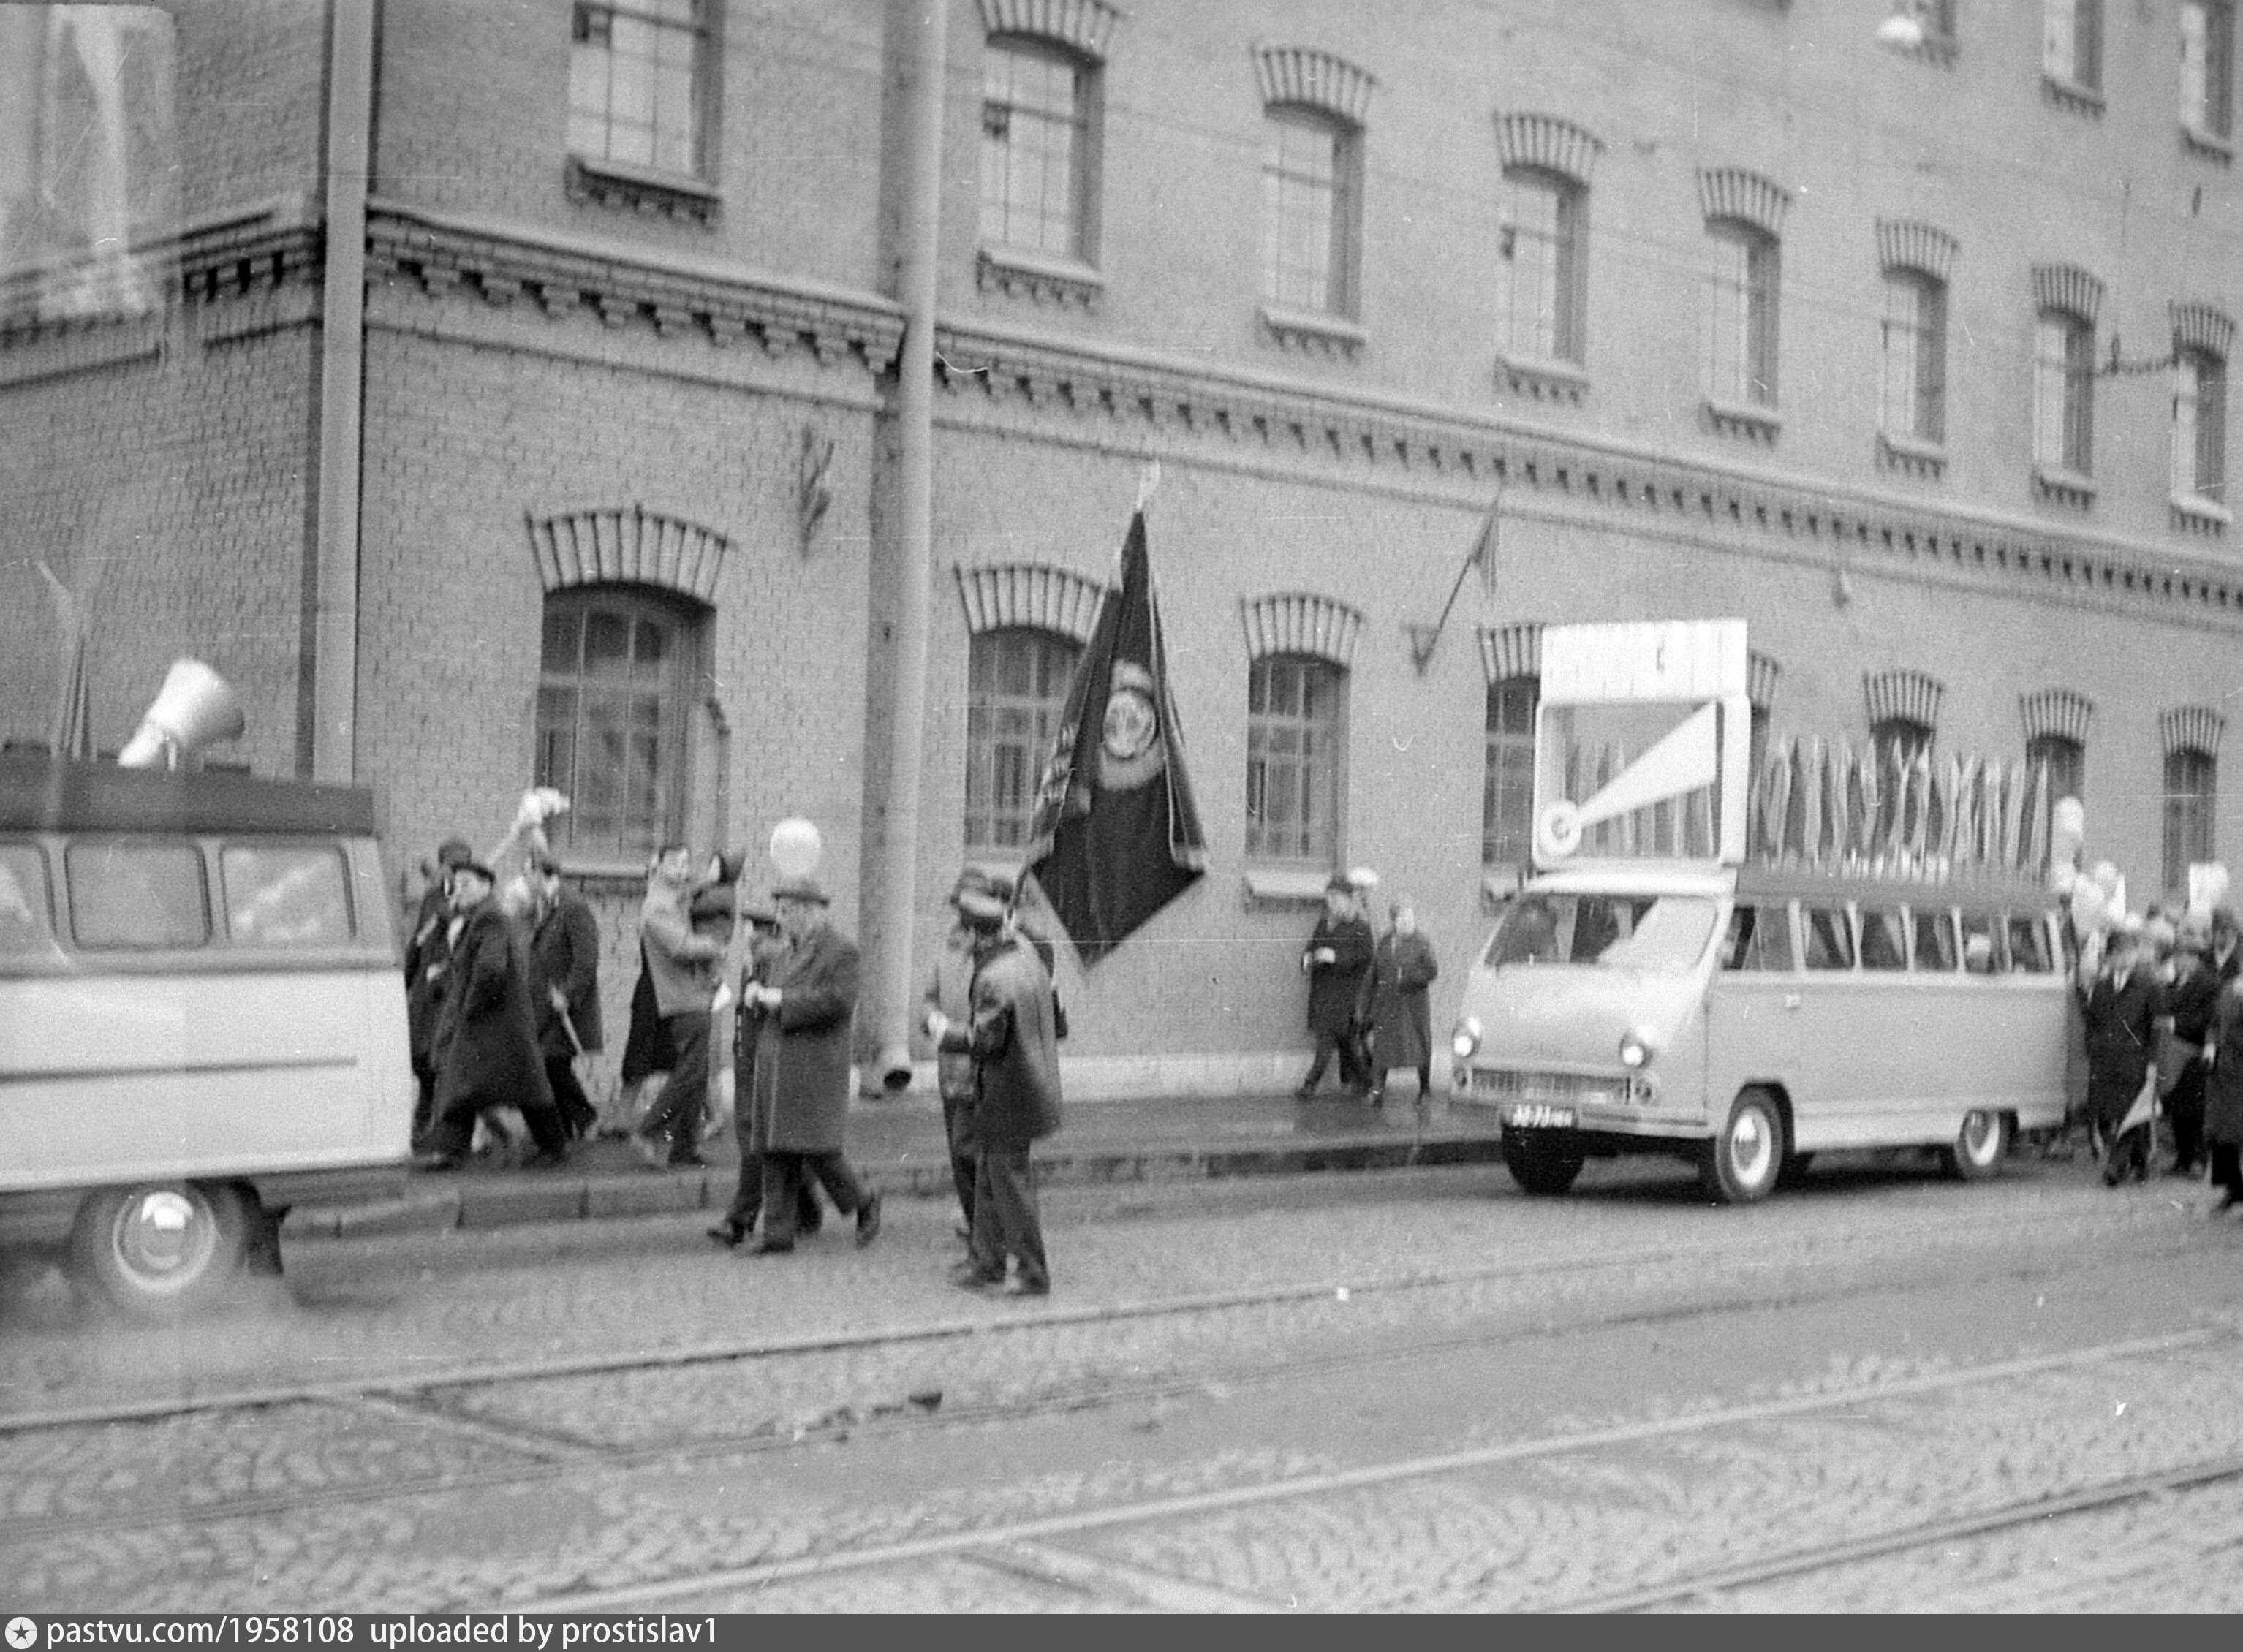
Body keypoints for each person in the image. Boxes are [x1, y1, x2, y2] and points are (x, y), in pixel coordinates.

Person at [931, 869, 1062, 1297]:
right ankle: (986, 1263)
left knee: (1010, 1187)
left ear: (975, 933)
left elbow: (985, 1042)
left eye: (964, 931)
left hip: (1007, 1096)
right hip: (1022, 1091)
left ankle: (1032, 1274)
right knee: (990, 1182)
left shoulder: (993, 977)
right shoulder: (1025, 960)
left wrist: (944, 1032)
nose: (961, 940)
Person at [741, 874, 881, 1254]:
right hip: (780, 1063)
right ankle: (777, 1235)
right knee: (776, 1149)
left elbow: (838, 1002)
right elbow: (776, 992)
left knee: (819, 1150)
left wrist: (780, 1001)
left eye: (786, 911)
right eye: (780, 911)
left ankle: (864, 1201)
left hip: (814, 1065)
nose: (780, 918)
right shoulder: (784, 951)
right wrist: (758, 994)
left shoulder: (840, 951)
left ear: (808, 911)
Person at [416, 859, 570, 1170]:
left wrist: (469, 1007)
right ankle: (450, 1149)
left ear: (486, 886)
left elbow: (490, 968)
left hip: (495, 1021)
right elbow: (471, 965)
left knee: (519, 1085)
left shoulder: (489, 919)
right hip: (495, 1021)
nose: (459, 890)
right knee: (470, 1083)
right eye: (457, 885)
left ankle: (553, 1146)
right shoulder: (479, 918)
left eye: (467, 884)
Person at [707, 894, 822, 1247]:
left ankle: (740, 1219)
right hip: (750, 1058)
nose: (747, 935)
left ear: (763, 931)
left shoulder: (770, 958)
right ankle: (804, 1201)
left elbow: (772, 1010)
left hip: (762, 1061)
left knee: (755, 1143)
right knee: (760, 1142)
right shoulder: (757, 958)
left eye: (751, 929)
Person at [629, 844, 725, 1170]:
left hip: (693, 996)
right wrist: (715, 946)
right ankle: (649, 1131)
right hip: (682, 999)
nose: (684, 870)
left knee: (697, 1075)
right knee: (689, 1073)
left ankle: (685, 1148)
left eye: (686, 863)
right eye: (676, 863)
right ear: (657, 867)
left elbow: (687, 892)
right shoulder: (657, 908)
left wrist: (707, 881)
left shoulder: (671, 899)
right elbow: (681, 947)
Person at [923, 878, 987, 1241]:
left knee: (974, 1151)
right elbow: (930, 996)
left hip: (982, 1064)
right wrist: (931, 1018)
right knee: (959, 1151)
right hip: (950, 1066)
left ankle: (987, 1232)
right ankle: (975, 1226)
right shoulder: (948, 948)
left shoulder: (992, 949)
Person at [2081, 922, 2166, 1186]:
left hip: (2135, 1061)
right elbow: (2092, 1022)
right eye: (2119, 953)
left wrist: (2153, 1062)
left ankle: (2115, 1167)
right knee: (2116, 1114)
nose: (2125, 958)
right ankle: (2140, 1162)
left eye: (2129, 952)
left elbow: (2158, 1028)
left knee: (2130, 1113)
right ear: (2110, 956)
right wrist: (2093, 1048)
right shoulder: (2102, 987)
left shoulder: (2148, 986)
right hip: (2106, 1061)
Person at [526, 852, 602, 1143]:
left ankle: (586, 1119)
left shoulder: (573, 907)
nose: (525, 881)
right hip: (547, 1006)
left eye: (528, 874)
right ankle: (568, 1129)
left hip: (562, 1007)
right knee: (551, 1065)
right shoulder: (549, 905)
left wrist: (568, 994)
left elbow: (587, 959)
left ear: (542, 874)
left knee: (552, 1065)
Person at [404, 837, 474, 1143]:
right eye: (449, 867)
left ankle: (441, 1129)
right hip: (425, 989)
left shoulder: (469, 903)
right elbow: (419, 941)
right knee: (420, 1059)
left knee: (440, 1061)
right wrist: (406, 978)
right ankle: (424, 1120)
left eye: (459, 869)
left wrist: (450, 916)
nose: (452, 874)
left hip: (447, 992)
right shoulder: (433, 897)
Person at [602, 851, 676, 1139]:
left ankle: (704, 1114)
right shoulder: (656, 904)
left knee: (680, 1059)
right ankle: (623, 1117)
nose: (650, 877)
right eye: (649, 872)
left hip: (668, 991)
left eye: (655, 871)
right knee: (640, 1056)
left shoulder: (670, 905)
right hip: (650, 989)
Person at [1296, 873, 1374, 1099]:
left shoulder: (1360, 927)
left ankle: (1310, 1084)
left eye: (1336, 898)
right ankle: (1367, 1083)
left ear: (1348, 899)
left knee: (1327, 1040)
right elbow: (1311, 948)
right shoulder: (1324, 924)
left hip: (1345, 998)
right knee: (1347, 1044)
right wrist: (1308, 959)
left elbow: (1366, 957)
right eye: (1329, 897)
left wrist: (1336, 957)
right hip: (1322, 993)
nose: (1331, 903)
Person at [1365, 899, 1440, 1110]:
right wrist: (1365, 1004)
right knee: (1383, 1046)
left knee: (1420, 1045)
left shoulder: (1421, 942)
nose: (1408, 922)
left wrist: (1408, 977)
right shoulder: (1385, 942)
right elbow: (1374, 973)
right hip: (1388, 1004)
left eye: (1410, 917)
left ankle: (1424, 1089)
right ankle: (1378, 1090)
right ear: (1394, 921)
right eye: (1403, 918)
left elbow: (1432, 971)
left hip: (1413, 1005)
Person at [2163, 920, 2219, 1177]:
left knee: (2196, 1110)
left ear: (2192, 958)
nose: (2175, 962)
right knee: (2177, 1108)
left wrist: (2177, 1024)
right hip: (2174, 1053)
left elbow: (2209, 1019)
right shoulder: (2175, 983)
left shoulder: (2209, 983)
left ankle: (2198, 1158)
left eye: (2178, 957)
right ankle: (2183, 1157)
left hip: (2195, 1052)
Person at [2203, 971, 2243, 1216]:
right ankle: (2234, 1188)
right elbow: (2215, 1022)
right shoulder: (2229, 989)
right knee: (2222, 1135)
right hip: (2224, 1074)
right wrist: (2210, 1044)